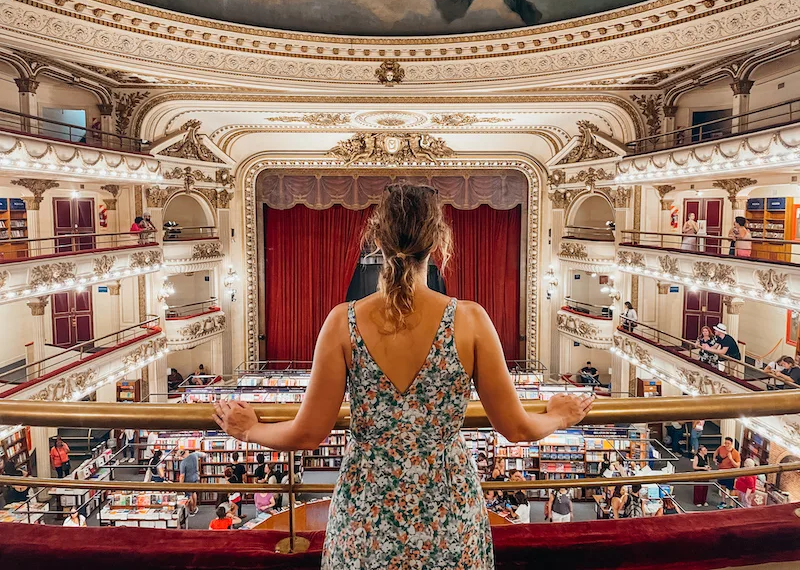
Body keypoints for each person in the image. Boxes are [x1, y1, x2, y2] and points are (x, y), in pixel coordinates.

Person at [212, 184, 592, 570]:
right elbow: (517, 429)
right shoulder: (472, 321)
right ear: (439, 241)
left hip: (366, 512)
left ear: (376, 239)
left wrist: (248, 430)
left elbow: (308, 434)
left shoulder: (342, 323)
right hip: (449, 510)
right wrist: (561, 414)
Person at [714, 437, 741, 509]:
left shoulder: (735, 453)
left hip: (730, 473)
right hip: (721, 471)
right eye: (725, 443)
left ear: (731, 444)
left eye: (728, 443)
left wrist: (731, 459)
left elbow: (737, 465)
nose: (726, 445)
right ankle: (723, 501)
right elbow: (715, 453)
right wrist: (715, 460)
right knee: (722, 486)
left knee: (731, 488)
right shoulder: (721, 448)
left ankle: (731, 504)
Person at [178, 449, 205, 516]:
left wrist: (180, 485)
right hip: (195, 477)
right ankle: (195, 507)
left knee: (189, 495)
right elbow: (204, 454)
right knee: (194, 493)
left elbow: (182, 475)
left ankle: (191, 510)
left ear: (181, 455)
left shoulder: (183, 463)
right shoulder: (194, 455)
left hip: (188, 480)